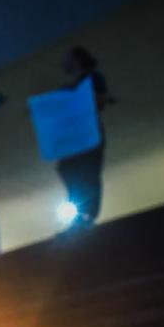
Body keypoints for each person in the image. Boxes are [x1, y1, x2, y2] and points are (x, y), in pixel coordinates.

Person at [55, 46, 110, 228]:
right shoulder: (73, 85)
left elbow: (99, 100)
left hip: (89, 133)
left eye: (67, 58)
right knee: (66, 168)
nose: (64, 62)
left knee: (88, 171)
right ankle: (79, 212)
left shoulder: (93, 77)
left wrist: (74, 96)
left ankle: (87, 214)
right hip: (76, 136)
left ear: (77, 59)